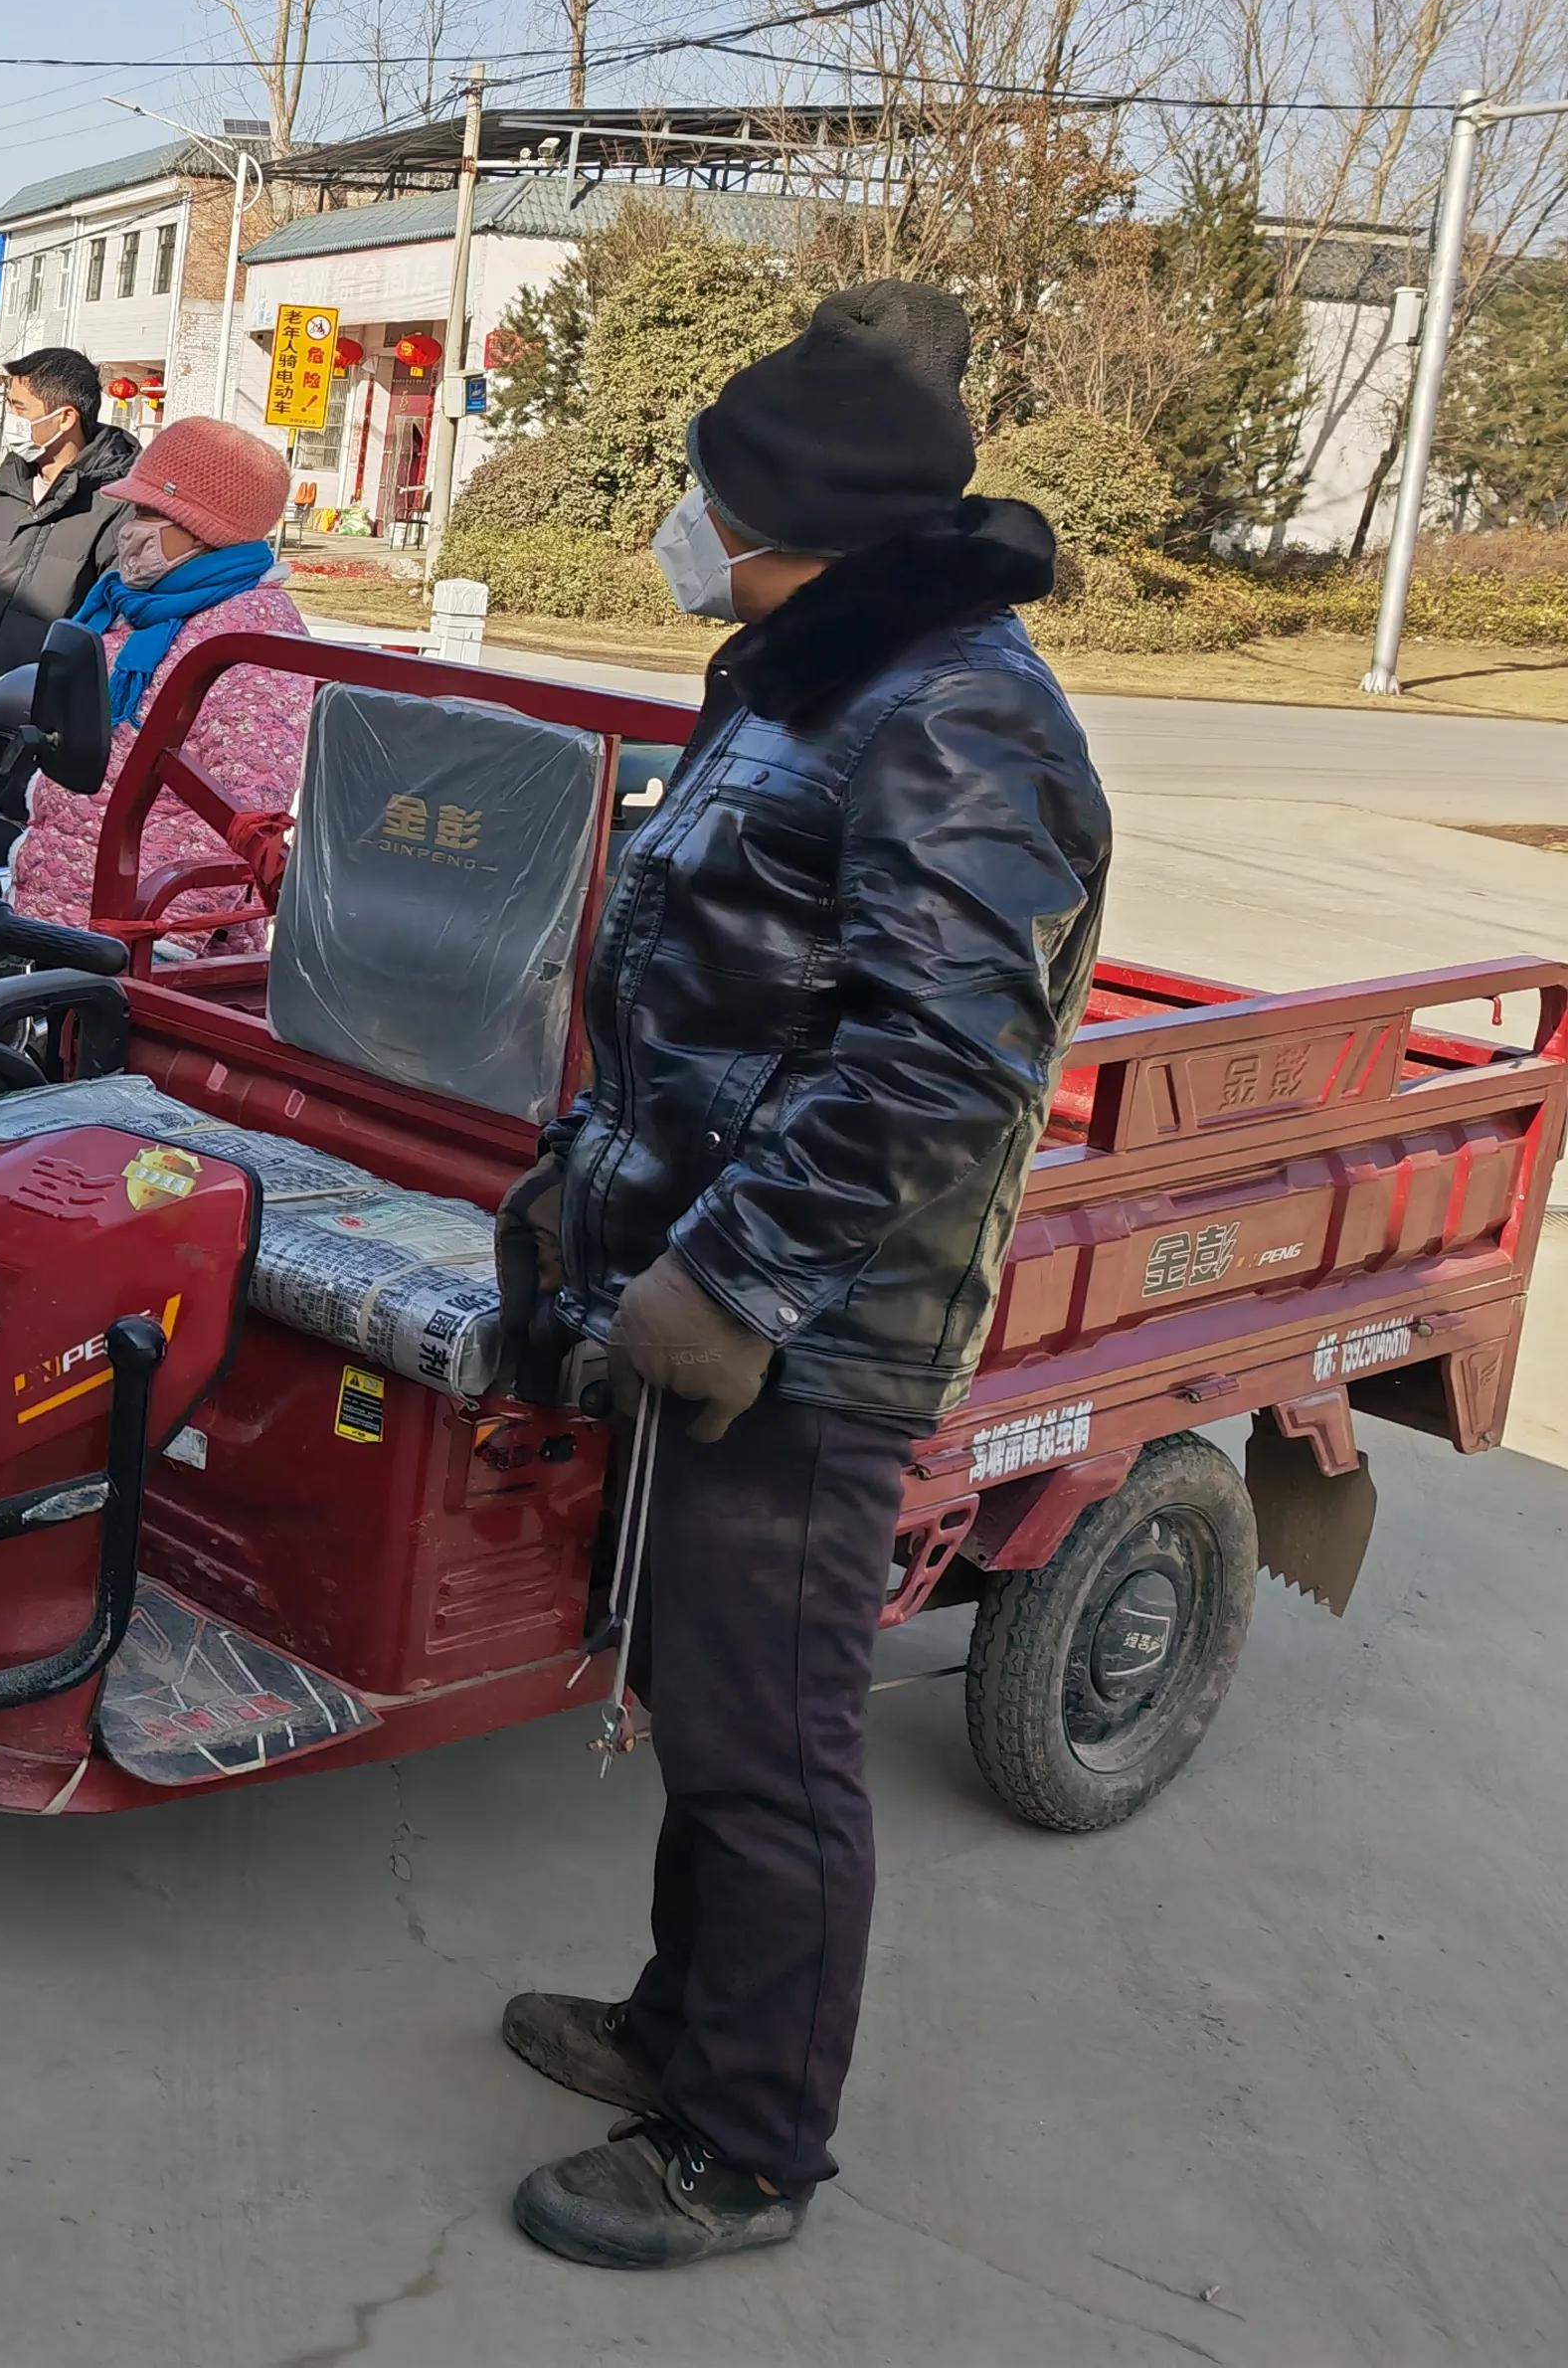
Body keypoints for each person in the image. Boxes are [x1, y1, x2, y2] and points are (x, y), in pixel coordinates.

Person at [496, 282, 1109, 2270]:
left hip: (810, 1326)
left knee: (767, 1739)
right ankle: (683, 2025)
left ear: (785, 523)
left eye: (702, 498)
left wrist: (734, 1279)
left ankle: (747, 2148)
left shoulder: (956, 718)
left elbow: (937, 1056)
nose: (680, 526)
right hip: (702, 1260)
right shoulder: (801, 664)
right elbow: (721, 982)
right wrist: (588, 1192)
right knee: (696, 1690)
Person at [5, 417, 315, 945]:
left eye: (151, 513)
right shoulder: (130, 605)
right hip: (64, 904)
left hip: (142, 933)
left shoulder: (251, 636)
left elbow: (240, 806)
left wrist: (168, 936)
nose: (130, 528)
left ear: (205, 527)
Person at [0, 346, 137, 718]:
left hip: (41, 718)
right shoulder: (7, 484)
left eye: (19, 408)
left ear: (65, 418)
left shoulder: (117, 501)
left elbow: (112, 619)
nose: (9, 419)